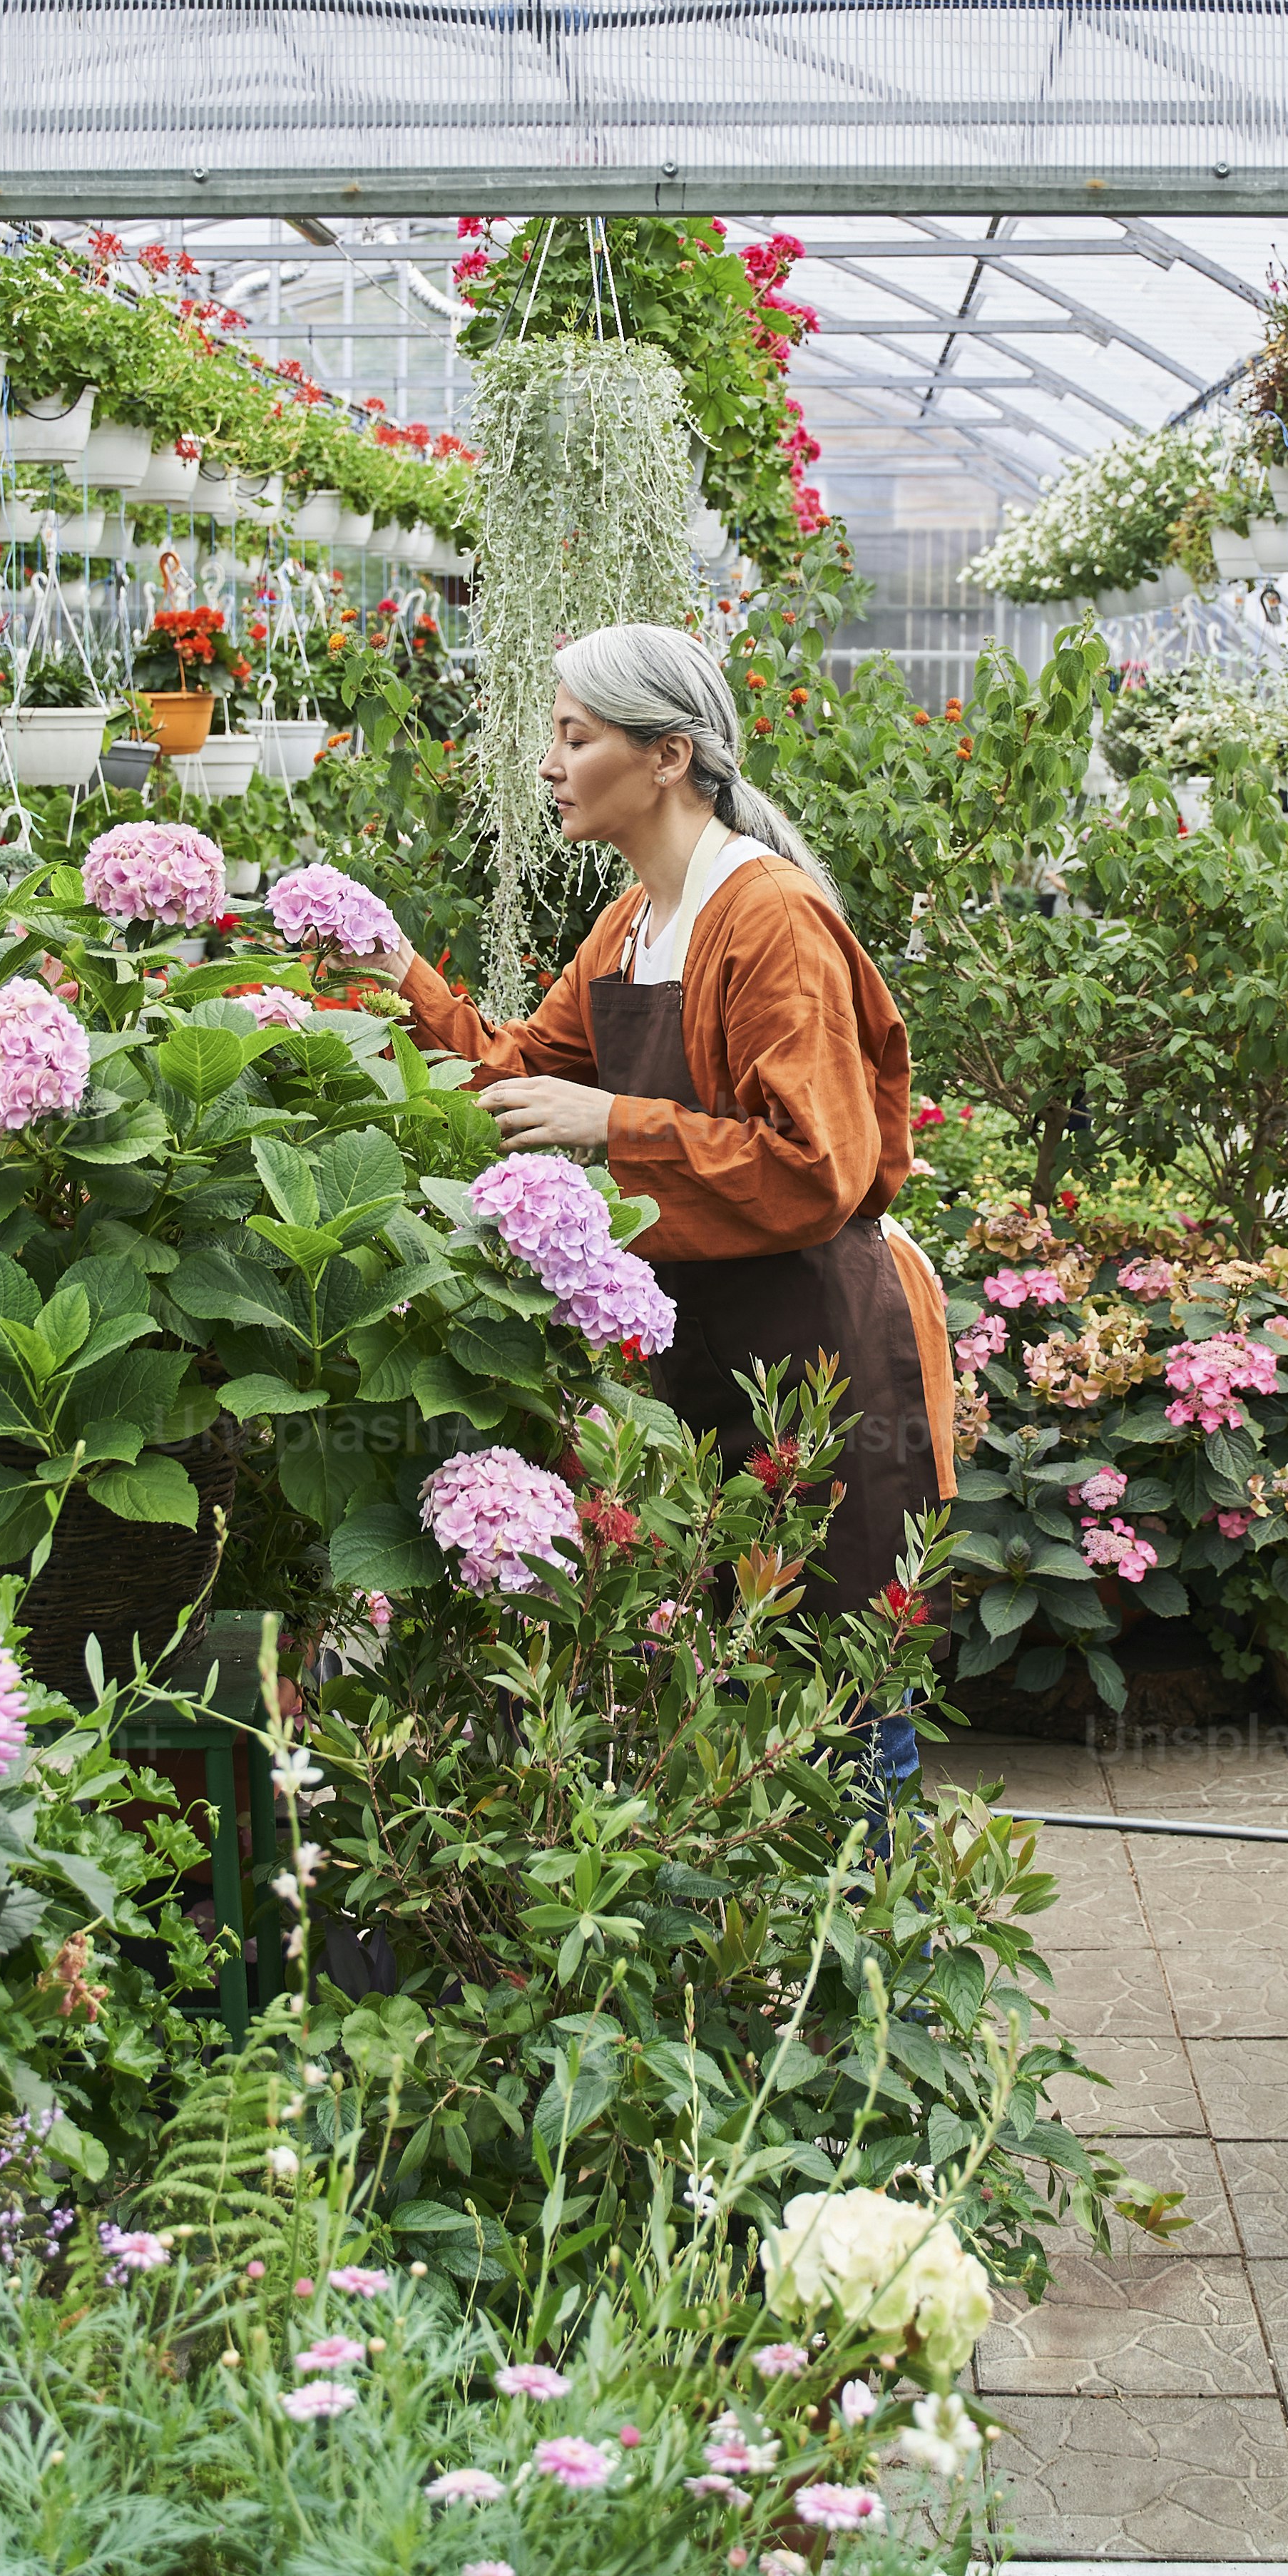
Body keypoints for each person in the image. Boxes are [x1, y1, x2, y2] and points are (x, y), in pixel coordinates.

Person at [369, 623, 956, 1771]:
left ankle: (853, 1943)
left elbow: (817, 1166)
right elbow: (520, 1075)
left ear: (667, 757)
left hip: (808, 1362)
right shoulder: (631, 926)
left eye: (573, 738)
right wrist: (392, 970)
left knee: (834, 1700)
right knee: (711, 1700)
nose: (547, 765)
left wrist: (614, 1125)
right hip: (692, 1351)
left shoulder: (766, 917)